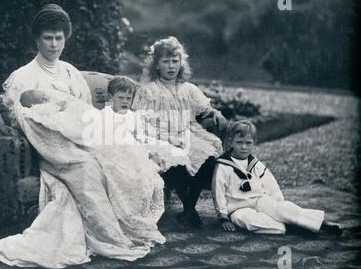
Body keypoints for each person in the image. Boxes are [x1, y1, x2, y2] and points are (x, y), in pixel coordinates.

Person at [0, 4, 165, 269]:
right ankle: (110, 237)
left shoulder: (71, 72)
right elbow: (26, 123)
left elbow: (85, 112)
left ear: (66, 39)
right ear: (37, 39)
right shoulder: (23, 76)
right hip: (55, 150)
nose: (53, 44)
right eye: (48, 38)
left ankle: (128, 227)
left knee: (118, 160)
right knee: (88, 167)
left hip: (82, 139)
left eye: (59, 38)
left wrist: (86, 132)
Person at [132, 36, 227, 228]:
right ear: (156, 65)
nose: (171, 66)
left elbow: (204, 109)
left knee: (206, 155)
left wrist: (215, 113)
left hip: (186, 132)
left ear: (181, 63)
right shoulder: (148, 90)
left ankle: (189, 209)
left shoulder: (189, 89)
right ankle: (189, 210)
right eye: (165, 61)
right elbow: (139, 119)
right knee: (173, 160)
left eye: (175, 61)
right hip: (157, 135)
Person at [212, 120, 342, 236]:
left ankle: (321, 224)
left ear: (254, 143)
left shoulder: (255, 163)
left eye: (248, 143)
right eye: (239, 142)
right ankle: (292, 227)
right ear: (230, 141)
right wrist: (223, 217)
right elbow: (218, 191)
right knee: (252, 221)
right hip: (238, 208)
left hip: (259, 200)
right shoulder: (224, 165)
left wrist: (278, 203)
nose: (244, 147)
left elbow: (270, 184)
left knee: (285, 209)